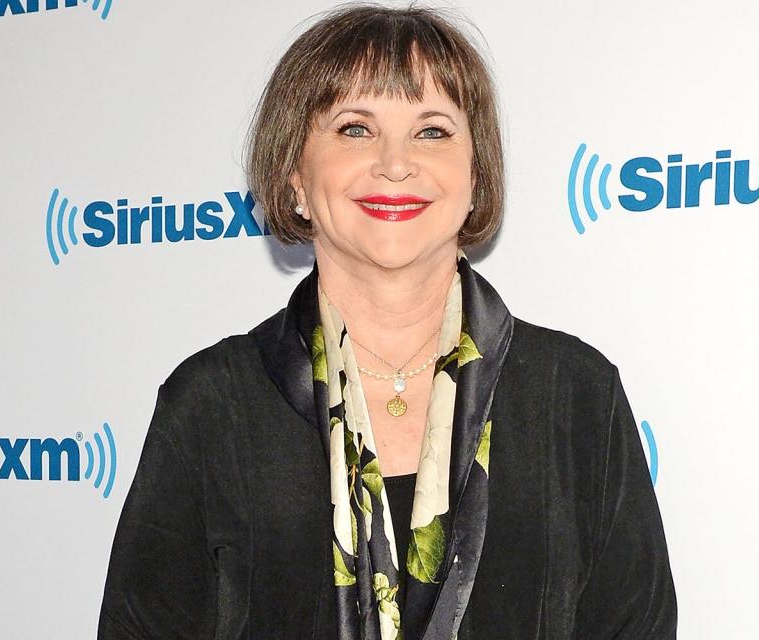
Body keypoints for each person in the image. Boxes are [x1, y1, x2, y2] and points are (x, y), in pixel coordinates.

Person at [97, 4, 677, 639]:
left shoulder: (575, 396)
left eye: (432, 131)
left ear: (476, 174)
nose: (395, 162)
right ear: (294, 175)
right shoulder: (213, 403)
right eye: (354, 128)